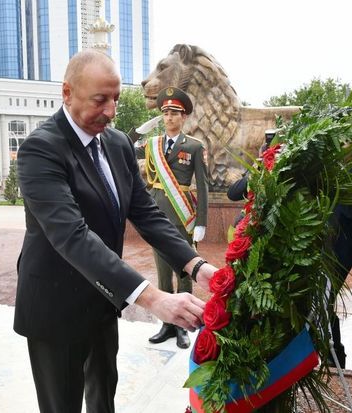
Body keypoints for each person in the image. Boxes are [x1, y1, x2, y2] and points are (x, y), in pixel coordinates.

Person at [13, 49, 217, 413]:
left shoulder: (117, 143)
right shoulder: (41, 149)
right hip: (55, 310)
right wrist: (155, 299)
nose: (110, 111)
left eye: (116, 100)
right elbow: (71, 236)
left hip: (103, 299)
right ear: (67, 93)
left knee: (103, 396)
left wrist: (198, 267)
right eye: (99, 100)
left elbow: (147, 213)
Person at [135, 86, 208, 349]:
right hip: (157, 216)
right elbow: (129, 152)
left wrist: (201, 221)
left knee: (185, 270)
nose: (169, 118)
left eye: (174, 113)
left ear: (184, 116)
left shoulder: (195, 146)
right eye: (165, 113)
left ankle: (183, 325)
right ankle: (166, 324)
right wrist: (139, 131)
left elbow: (202, 184)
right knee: (163, 272)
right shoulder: (152, 145)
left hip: (183, 216)